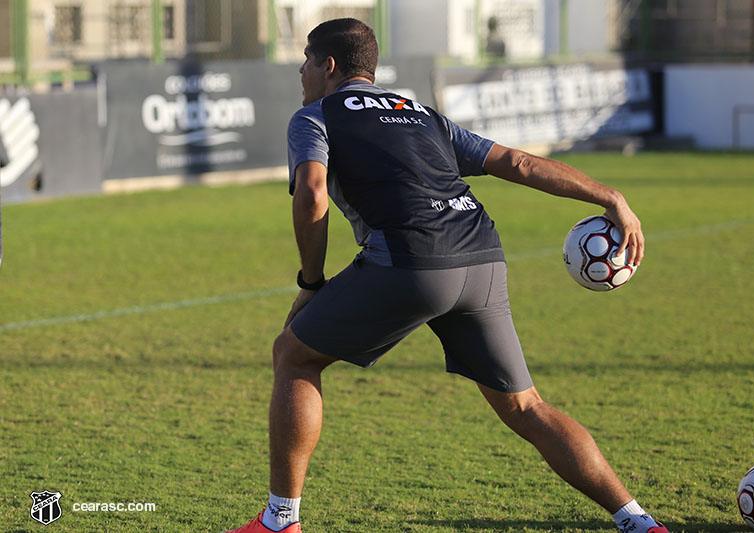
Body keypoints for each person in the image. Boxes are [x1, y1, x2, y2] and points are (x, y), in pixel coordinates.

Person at [226, 18, 665, 533]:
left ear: (328, 66)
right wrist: (609, 196)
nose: (300, 70)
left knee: (294, 354)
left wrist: (310, 282)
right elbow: (519, 163)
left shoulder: (314, 116)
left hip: (411, 263)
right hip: (483, 258)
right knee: (527, 408)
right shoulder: (421, 114)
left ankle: (280, 523)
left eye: (305, 59)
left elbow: (313, 194)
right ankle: (639, 522)